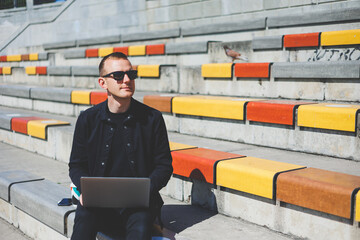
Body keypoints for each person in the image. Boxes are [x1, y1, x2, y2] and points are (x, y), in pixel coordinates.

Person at [69, 52, 173, 240]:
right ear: (103, 83)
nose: (126, 80)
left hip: (138, 205)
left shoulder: (153, 118)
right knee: (83, 226)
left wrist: (144, 191)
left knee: (140, 230)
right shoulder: (87, 119)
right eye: (118, 76)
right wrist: (85, 191)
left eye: (131, 74)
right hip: (97, 202)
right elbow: (76, 165)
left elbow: (164, 166)